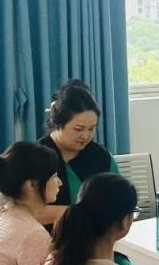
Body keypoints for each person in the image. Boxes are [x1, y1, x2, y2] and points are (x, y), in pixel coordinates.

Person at [36, 79, 119, 226]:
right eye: (78, 129)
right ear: (58, 124)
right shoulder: (34, 157)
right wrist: (80, 213)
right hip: (45, 237)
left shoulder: (101, 156)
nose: (86, 136)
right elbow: (25, 212)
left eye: (91, 128)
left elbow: (118, 197)